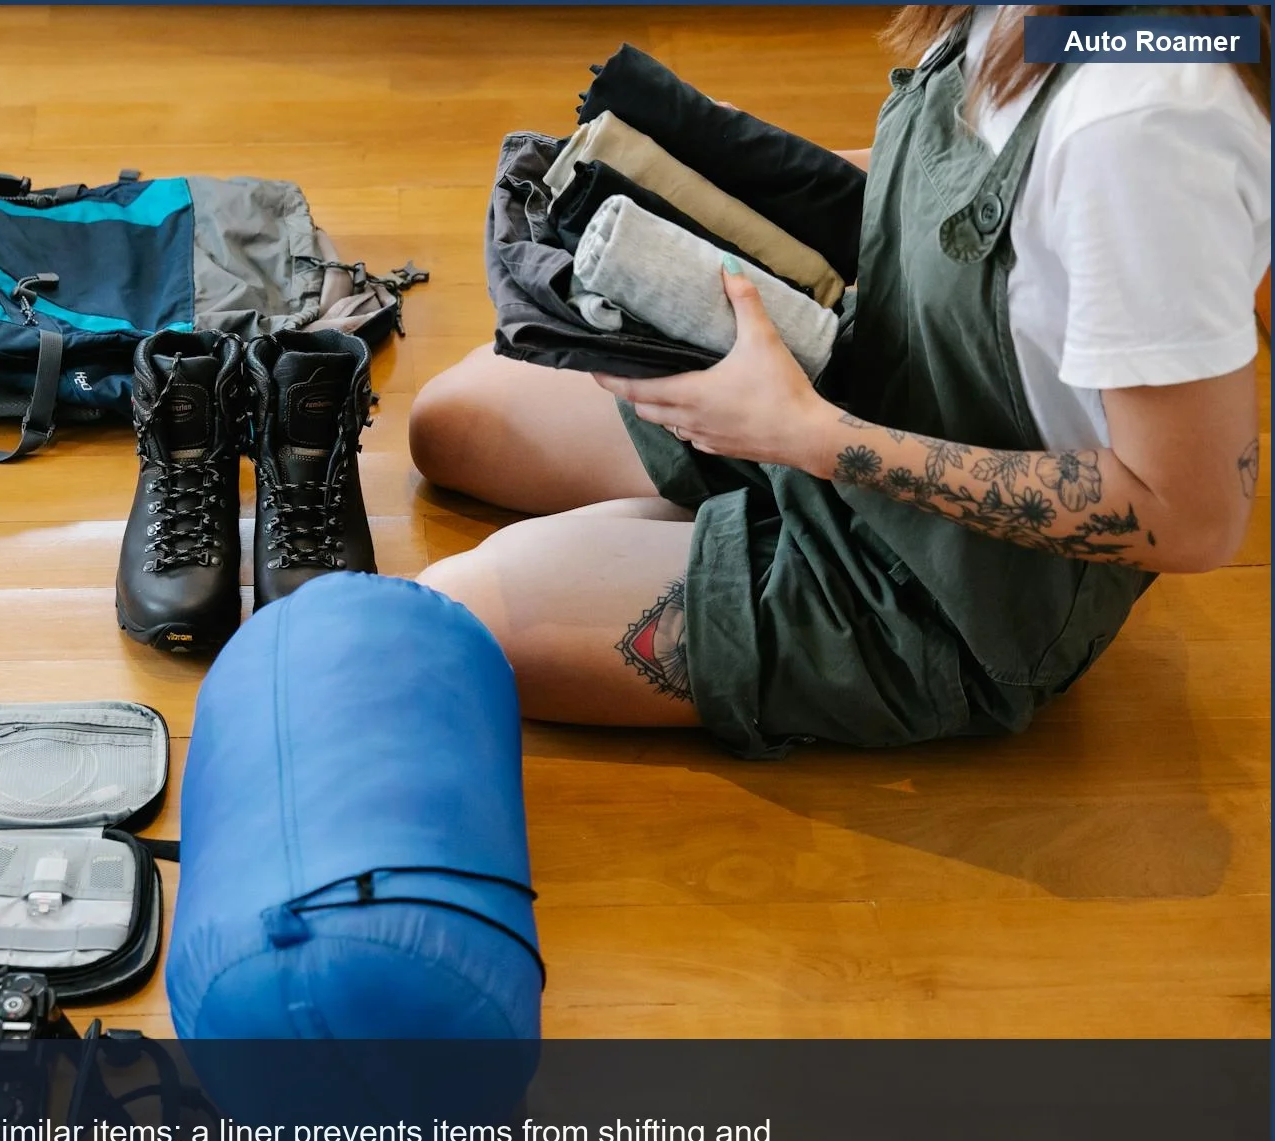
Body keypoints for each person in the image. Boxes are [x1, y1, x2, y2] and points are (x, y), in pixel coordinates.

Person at [411, 4, 1271, 758]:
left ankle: (734, 536)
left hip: (957, 586)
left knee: (452, 621)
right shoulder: (1054, 22)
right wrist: (723, 163)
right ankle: (718, 521)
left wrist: (810, 440)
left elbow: (1189, 516)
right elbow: (991, 219)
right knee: (449, 424)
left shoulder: (1144, 125)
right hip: (869, 376)